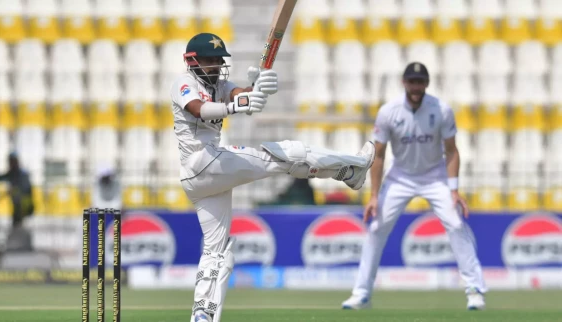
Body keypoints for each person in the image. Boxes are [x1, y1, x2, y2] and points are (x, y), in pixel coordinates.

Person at [172, 33, 376, 322]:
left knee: (217, 250)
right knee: (283, 155)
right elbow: (200, 109)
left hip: (204, 178)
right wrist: (237, 105)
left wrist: (258, 90)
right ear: (192, 61)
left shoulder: (220, 84)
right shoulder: (183, 83)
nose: (215, 65)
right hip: (203, 163)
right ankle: (350, 169)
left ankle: (203, 315)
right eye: (209, 60)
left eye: (218, 60)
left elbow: (243, 97)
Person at [341, 62, 486, 311]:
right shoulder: (389, 112)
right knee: (376, 227)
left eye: (420, 82)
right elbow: (378, 155)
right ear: (404, 83)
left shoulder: (441, 110)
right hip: (401, 177)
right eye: (412, 82)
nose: (416, 87)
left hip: (435, 176)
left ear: (427, 84)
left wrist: (453, 190)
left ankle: (474, 290)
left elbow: (451, 151)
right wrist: (374, 196)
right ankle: (361, 293)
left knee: (455, 222)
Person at [0, 153, 34, 228]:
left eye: (11, 162)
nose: (9, 164)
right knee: (16, 220)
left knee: (18, 220)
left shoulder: (21, 174)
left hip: (23, 204)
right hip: (17, 204)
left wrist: (12, 191)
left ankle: (18, 229)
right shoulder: (12, 173)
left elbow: (25, 188)